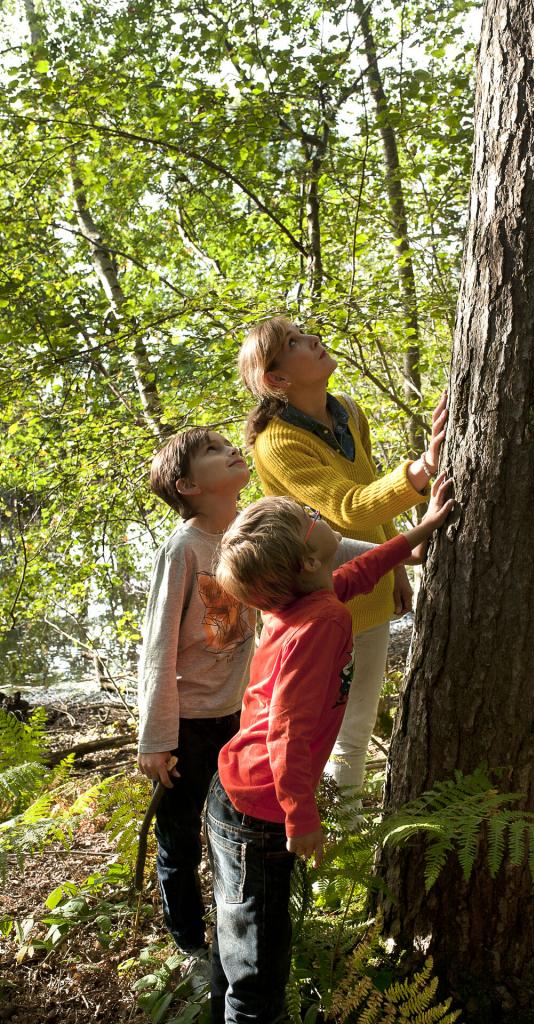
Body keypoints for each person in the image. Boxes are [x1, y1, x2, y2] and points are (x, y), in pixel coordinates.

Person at [207, 478, 454, 1023]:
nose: (315, 516)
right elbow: (287, 729)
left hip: (235, 795)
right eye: (307, 519)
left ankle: (221, 1008)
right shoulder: (317, 624)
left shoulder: (307, 600)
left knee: (237, 933)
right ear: (306, 559)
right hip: (261, 812)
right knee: (259, 961)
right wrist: (300, 817)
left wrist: (416, 537)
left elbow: (354, 575)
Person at [237, 316, 447, 792]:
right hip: (320, 605)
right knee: (325, 740)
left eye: (303, 332)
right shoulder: (278, 445)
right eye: (293, 342)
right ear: (277, 379)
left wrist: (394, 566)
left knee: (355, 732)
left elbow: (369, 487)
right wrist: (424, 469)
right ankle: (321, 843)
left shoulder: (347, 410)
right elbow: (347, 508)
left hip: (367, 590)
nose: (312, 339)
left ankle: (346, 841)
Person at [137, 426, 255, 970]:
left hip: (240, 715)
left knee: (238, 828)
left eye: (227, 442)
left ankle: (240, 929)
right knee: (180, 837)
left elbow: (319, 551)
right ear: (187, 485)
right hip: (187, 723)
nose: (232, 448)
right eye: (213, 450)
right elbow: (158, 649)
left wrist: (402, 548)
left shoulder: (249, 530)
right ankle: (189, 944)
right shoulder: (184, 550)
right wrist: (157, 739)